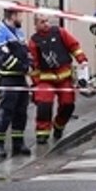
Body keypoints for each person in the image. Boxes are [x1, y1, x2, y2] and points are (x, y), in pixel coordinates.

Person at [29, 13, 91, 146]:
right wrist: (35, 85)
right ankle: (42, 133)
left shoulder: (60, 32)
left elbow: (74, 46)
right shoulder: (34, 41)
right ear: (36, 25)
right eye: (42, 22)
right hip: (45, 79)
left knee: (68, 104)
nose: (46, 24)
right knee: (44, 103)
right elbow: (33, 64)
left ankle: (59, 125)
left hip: (64, 76)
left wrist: (82, 60)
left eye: (47, 21)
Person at [0, 7, 33, 160]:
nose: (22, 19)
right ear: (13, 15)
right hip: (8, 79)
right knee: (5, 112)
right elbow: (3, 58)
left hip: (21, 78)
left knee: (21, 112)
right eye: (20, 15)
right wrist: (25, 67)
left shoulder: (19, 32)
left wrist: (30, 64)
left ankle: (18, 143)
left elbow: (27, 52)